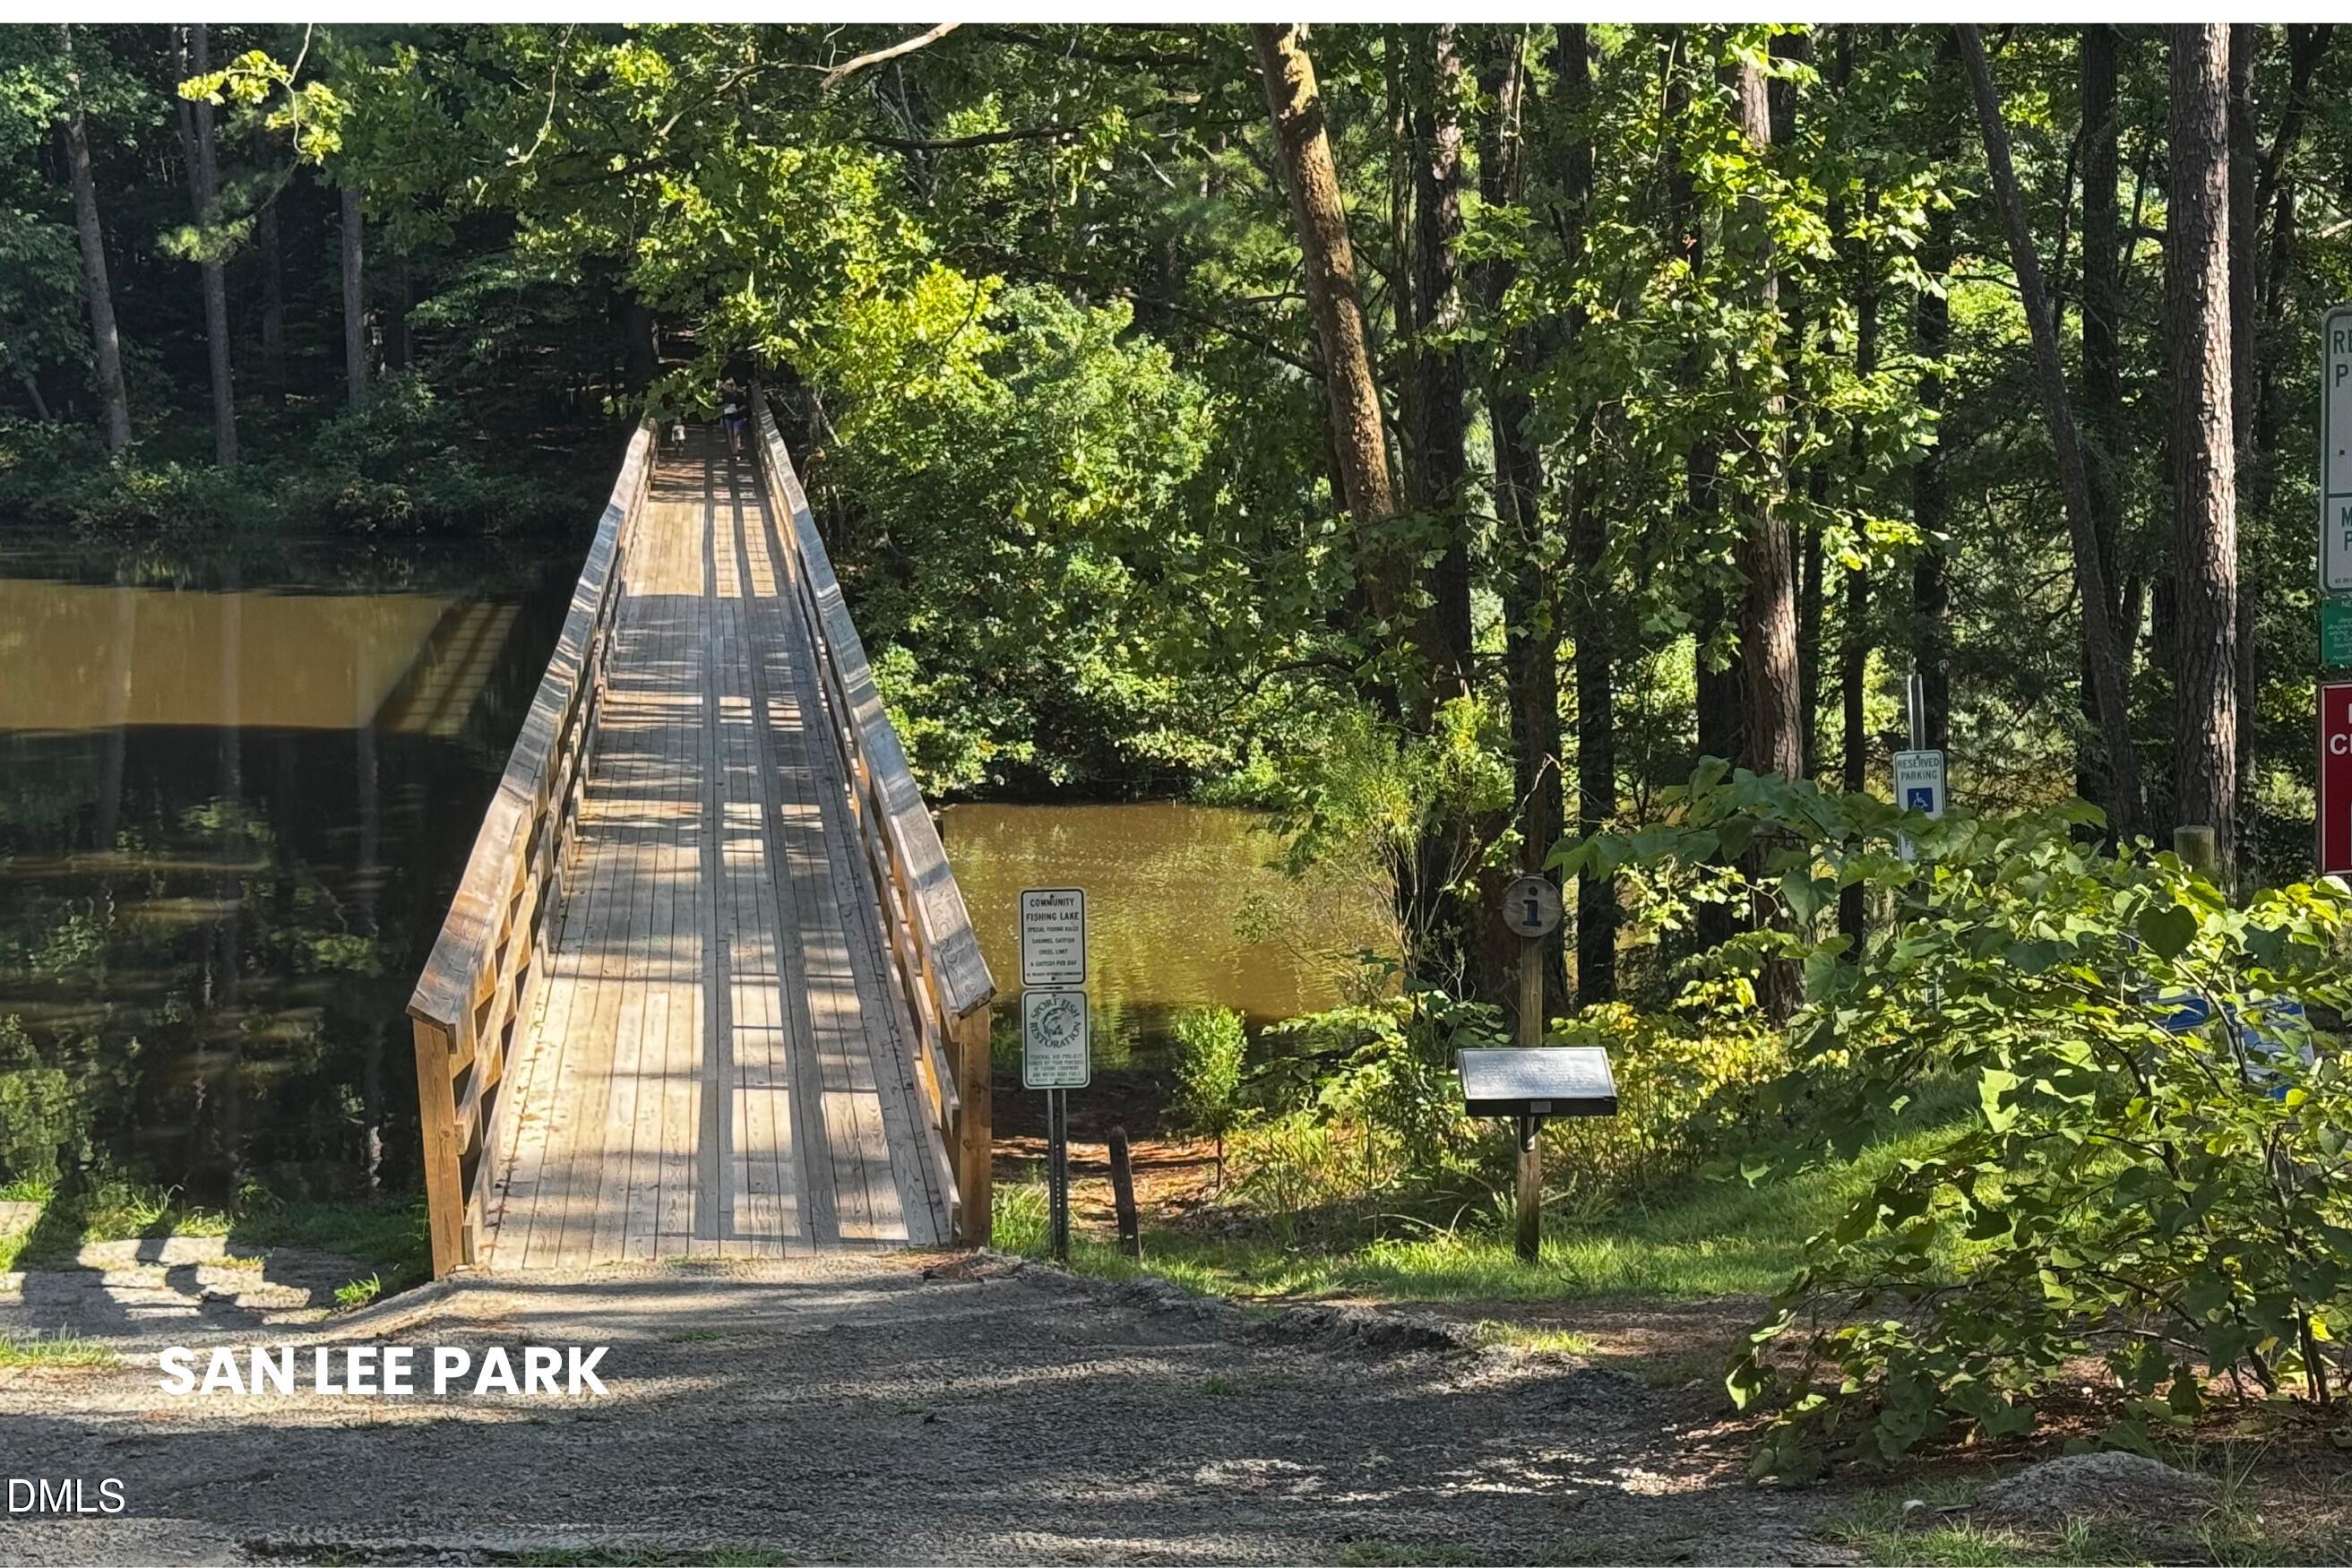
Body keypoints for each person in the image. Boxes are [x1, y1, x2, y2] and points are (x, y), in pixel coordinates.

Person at [720, 380, 746, 457]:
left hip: (738, 417)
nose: (729, 389)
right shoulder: (725, 396)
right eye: (727, 388)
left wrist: (738, 410)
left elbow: (745, 405)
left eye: (730, 387)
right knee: (730, 434)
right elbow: (721, 407)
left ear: (733, 387)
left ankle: (736, 450)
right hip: (728, 417)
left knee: (736, 433)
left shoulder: (740, 395)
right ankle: (733, 452)